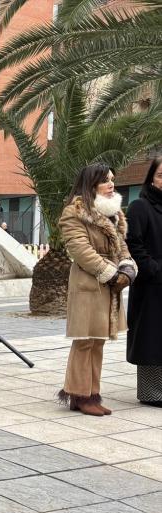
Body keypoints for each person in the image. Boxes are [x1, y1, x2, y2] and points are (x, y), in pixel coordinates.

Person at [58, 164, 137, 416]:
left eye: (112, 179)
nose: (111, 184)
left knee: (98, 340)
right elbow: (81, 250)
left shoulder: (112, 213)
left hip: (108, 284)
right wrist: (111, 273)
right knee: (85, 340)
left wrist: (126, 267)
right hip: (87, 282)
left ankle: (92, 393)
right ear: (91, 184)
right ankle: (79, 395)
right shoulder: (74, 212)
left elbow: (121, 245)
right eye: (105, 180)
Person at [125, 157, 162, 406]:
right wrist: (153, 269)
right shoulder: (140, 206)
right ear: (151, 177)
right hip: (152, 285)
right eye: (161, 175)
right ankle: (152, 393)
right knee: (152, 338)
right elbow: (134, 243)